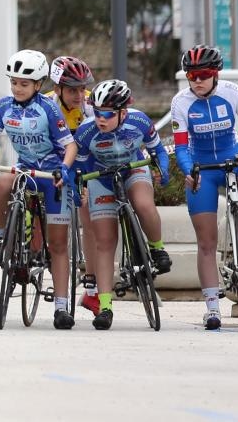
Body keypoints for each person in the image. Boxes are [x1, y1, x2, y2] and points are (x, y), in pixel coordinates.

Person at [171, 44, 238, 330]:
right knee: (206, 243)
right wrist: (188, 171)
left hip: (235, 154)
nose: (197, 81)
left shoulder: (231, 92)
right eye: (191, 75)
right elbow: (181, 148)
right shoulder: (180, 103)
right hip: (202, 166)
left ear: (215, 74)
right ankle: (211, 308)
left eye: (203, 74)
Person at [0, 49, 80, 329]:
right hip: (25, 168)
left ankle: (61, 306)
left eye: (24, 84)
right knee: (1, 186)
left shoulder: (48, 109)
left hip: (50, 172)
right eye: (13, 82)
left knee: (58, 244)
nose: (17, 88)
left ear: (38, 85)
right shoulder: (3, 106)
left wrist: (65, 168)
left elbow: (70, 145)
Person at [70, 79, 172, 330]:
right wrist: (78, 188)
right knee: (104, 241)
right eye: (96, 112)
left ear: (123, 113)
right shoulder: (86, 131)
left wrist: (164, 170)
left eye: (107, 114)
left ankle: (157, 248)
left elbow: (158, 150)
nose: (100, 119)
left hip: (132, 169)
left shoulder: (139, 121)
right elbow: (79, 168)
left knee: (143, 203)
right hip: (101, 177)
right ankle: (105, 306)